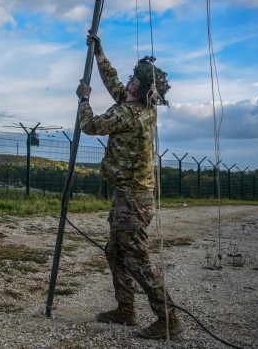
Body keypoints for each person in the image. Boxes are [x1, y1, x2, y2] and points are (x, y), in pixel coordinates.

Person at [76, 33, 182, 339]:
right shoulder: (143, 109)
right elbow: (115, 85)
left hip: (132, 199)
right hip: (130, 195)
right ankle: (125, 310)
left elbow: (90, 126)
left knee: (136, 258)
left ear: (141, 88)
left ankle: (169, 318)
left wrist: (84, 98)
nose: (129, 82)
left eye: (134, 79)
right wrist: (100, 54)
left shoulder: (126, 114)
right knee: (116, 252)